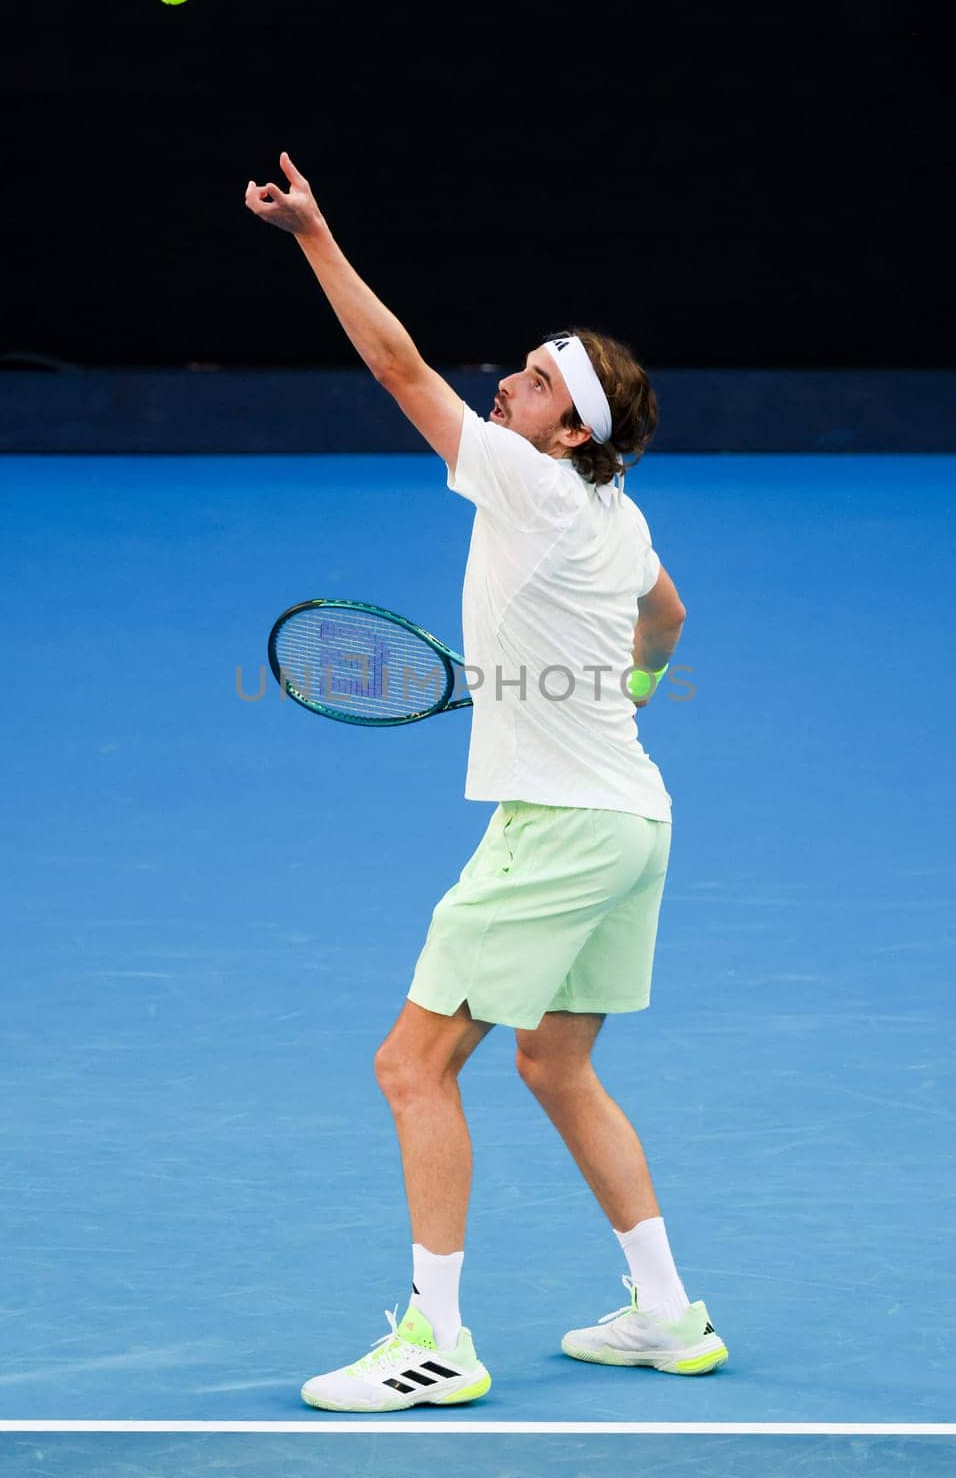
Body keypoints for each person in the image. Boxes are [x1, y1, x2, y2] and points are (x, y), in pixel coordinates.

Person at [244, 153, 729, 1413]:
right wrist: (606, 696)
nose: (501, 383)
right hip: (633, 820)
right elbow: (667, 616)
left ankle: (438, 1341)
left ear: (566, 429)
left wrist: (313, 235)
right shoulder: (612, 512)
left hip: (561, 832)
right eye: (518, 366)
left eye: (530, 381)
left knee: (411, 1066)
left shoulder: (523, 477)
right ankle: (667, 1314)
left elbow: (398, 367)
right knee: (555, 1068)